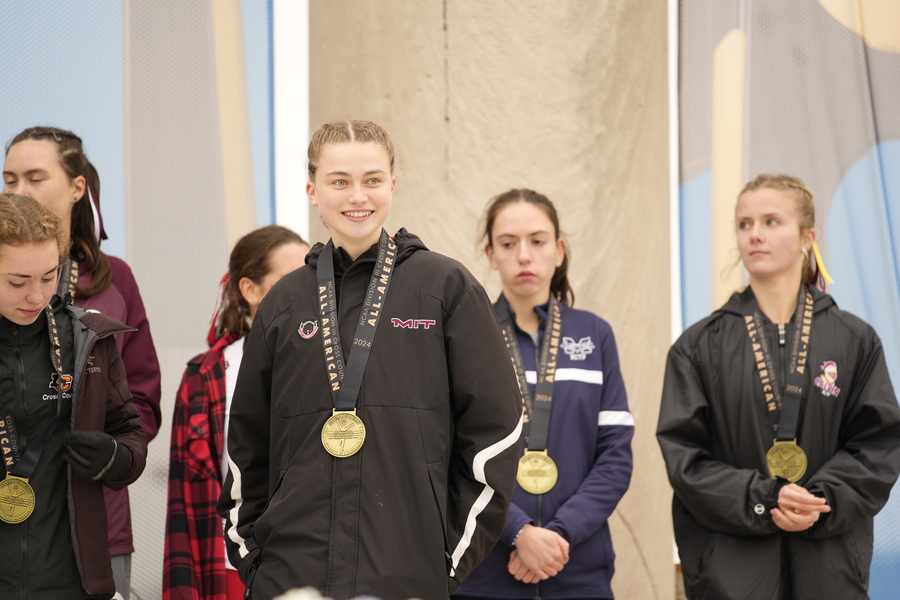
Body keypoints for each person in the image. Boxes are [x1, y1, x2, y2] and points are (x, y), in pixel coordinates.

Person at [217, 120, 523, 600]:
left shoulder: (446, 288)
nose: (357, 196)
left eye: (372, 180)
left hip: (409, 574)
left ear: (393, 186)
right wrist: (256, 560)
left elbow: (497, 427)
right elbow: (247, 443)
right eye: (339, 181)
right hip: (290, 576)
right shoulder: (285, 301)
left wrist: (449, 557)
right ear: (313, 191)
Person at [657, 174, 900, 599]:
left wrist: (819, 503)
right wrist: (765, 498)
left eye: (771, 222)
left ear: (808, 237)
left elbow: (878, 446)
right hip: (732, 573)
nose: (755, 235)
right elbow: (685, 459)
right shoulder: (697, 347)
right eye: (745, 224)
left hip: (830, 567)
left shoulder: (855, 340)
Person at [3, 127, 162, 599]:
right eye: (10, 179)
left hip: (90, 528)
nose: (19, 191)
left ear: (78, 188)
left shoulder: (110, 289)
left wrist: (113, 454)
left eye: (34, 177)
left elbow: (138, 407)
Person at [454, 189, 634, 600]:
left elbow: (616, 455)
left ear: (559, 250)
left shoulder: (595, 335)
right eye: (508, 243)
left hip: (576, 566)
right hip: (485, 573)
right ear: (490, 253)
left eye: (537, 241)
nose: (524, 256)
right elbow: (453, 455)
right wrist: (517, 531)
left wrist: (557, 536)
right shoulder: (465, 337)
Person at [164, 225, 309, 600]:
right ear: (249, 289)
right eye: (289, 280)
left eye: (312, 277)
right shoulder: (207, 375)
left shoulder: (339, 366)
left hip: (316, 560)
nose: (304, 292)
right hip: (233, 564)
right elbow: (186, 501)